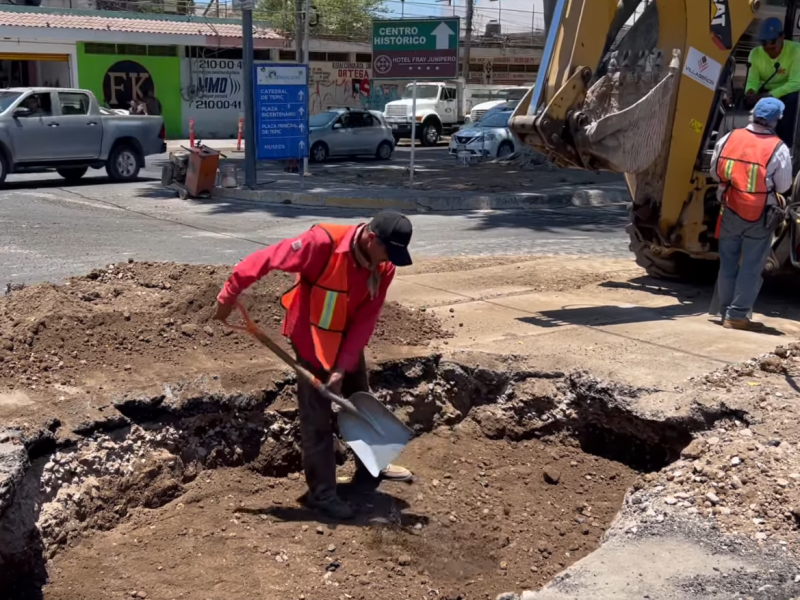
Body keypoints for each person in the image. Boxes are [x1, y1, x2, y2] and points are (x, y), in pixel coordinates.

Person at [214, 211, 415, 519]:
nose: (389, 261)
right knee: (317, 413)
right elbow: (264, 259)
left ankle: (371, 466)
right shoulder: (322, 243)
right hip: (311, 335)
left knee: (359, 396)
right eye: (389, 251)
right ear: (371, 239)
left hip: (347, 336)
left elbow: (366, 319)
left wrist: (343, 365)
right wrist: (228, 295)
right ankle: (322, 493)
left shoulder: (384, 266)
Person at [711, 97, 792, 331]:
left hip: (729, 208)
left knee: (727, 263)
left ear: (753, 113)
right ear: (776, 120)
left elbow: (717, 173)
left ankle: (726, 310)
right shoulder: (778, 148)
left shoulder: (728, 138)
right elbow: (784, 186)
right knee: (751, 266)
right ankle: (736, 316)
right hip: (760, 213)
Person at [745, 17, 800, 147]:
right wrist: (750, 92)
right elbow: (752, 80)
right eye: (764, 44)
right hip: (765, 91)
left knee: (792, 101)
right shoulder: (755, 54)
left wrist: (769, 96)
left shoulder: (796, 51)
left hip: (787, 92)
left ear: (782, 37)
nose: (769, 48)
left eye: (773, 43)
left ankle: (786, 145)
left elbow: (796, 83)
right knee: (746, 103)